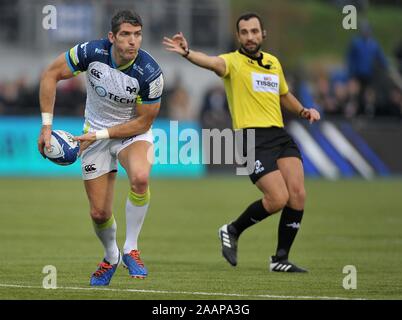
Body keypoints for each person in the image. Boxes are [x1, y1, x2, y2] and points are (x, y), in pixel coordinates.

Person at [164, 12, 320, 272]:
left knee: (298, 195)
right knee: (277, 198)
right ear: (238, 36)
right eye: (245, 32)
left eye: (254, 31)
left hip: (279, 135)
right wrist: (188, 52)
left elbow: (284, 94)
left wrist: (303, 110)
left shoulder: (273, 63)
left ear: (263, 34)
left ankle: (280, 259)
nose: (250, 36)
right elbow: (211, 62)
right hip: (251, 139)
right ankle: (232, 230)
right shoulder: (232, 63)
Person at [37, 10, 164, 285]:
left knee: (140, 178)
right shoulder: (90, 52)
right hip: (93, 134)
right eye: (126, 35)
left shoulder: (150, 73)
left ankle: (131, 247)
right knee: (99, 213)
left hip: (131, 134)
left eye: (138, 34)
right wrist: (47, 126)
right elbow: (50, 74)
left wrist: (100, 134)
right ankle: (111, 256)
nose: (133, 41)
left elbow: (143, 123)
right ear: (112, 37)